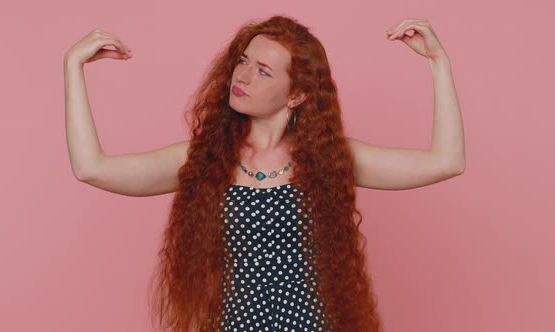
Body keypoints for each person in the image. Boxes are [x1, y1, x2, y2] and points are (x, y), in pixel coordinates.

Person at [64, 14, 465, 332]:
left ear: (297, 94)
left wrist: (438, 63)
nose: (242, 76)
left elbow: (446, 162)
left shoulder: (332, 158)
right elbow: (91, 169)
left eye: (263, 71)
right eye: (243, 62)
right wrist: (73, 67)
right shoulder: (203, 159)